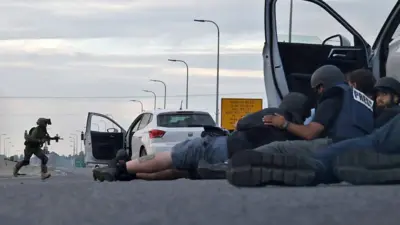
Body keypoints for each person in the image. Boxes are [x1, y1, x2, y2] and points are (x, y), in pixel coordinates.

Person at [92, 92, 311, 182]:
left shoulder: (272, 114)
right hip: (231, 164)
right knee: (178, 172)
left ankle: (123, 168)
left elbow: (242, 124)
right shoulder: (296, 135)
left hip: (220, 146)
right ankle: (135, 175)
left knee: (170, 157)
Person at [226, 65, 375, 187]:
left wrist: (283, 123)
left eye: (318, 89)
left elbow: (310, 133)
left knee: (277, 147)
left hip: (336, 145)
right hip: (360, 151)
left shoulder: (334, 94)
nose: (319, 93)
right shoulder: (360, 99)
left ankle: (233, 165)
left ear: (322, 86)